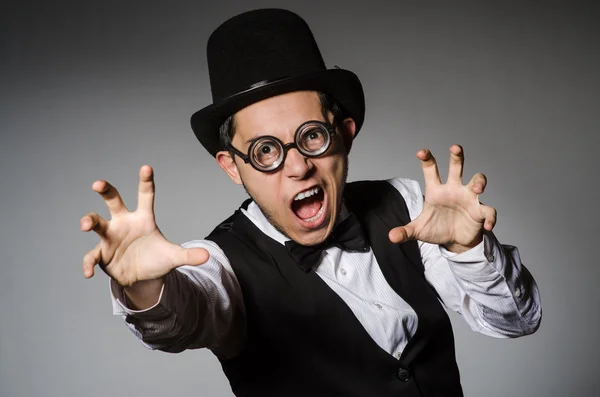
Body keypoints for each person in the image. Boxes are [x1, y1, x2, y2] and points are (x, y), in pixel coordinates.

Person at [80, 8, 541, 397]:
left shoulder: (409, 205)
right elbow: (184, 316)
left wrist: (468, 249)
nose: (297, 167)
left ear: (343, 135)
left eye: (312, 136)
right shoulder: (221, 264)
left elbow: (517, 322)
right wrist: (145, 290)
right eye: (264, 150)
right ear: (232, 167)